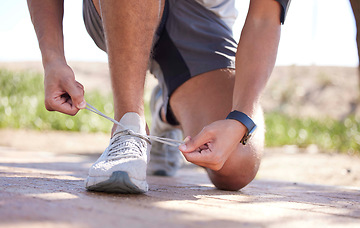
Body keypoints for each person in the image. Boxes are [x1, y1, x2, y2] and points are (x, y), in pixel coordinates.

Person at [27, 0, 291, 193]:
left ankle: (167, 110)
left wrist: (240, 118)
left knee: (237, 164)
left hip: (201, 21)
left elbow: (264, 18)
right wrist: (53, 59)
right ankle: (128, 127)